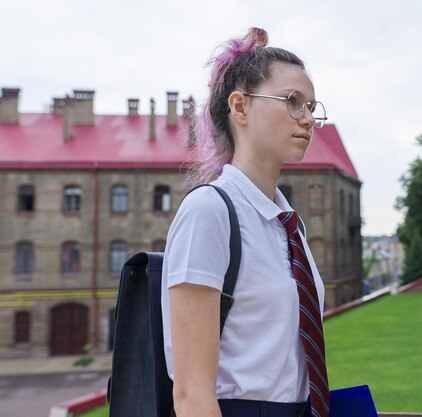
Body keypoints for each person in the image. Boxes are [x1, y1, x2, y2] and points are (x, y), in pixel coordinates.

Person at [161, 27, 329, 417]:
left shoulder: (289, 226)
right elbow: (190, 396)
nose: (307, 119)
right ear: (240, 107)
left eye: (311, 107)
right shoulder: (210, 212)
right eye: (292, 101)